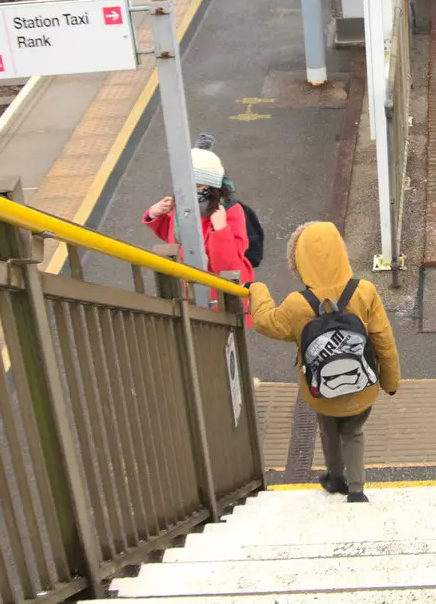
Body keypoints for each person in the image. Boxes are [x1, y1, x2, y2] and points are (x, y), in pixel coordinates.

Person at [249, 222, 400, 503]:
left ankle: (335, 478)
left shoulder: (297, 304)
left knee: (329, 431)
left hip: (321, 389)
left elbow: (264, 322)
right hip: (362, 385)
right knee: (353, 432)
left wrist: (257, 289)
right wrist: (390, 381)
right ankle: (357, 491)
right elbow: (383, 340)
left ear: (298, 261)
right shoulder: (364, 291)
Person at [142, 136, 260, 289]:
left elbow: (227, 268)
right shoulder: (182, 204)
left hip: (222, 294)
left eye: (197, 185)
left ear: (213, 185)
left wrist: (220, 231)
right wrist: (155, 215)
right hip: (192, 287)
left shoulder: (230, 211)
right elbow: (178, 239)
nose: (189, 190)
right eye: (184, 183)